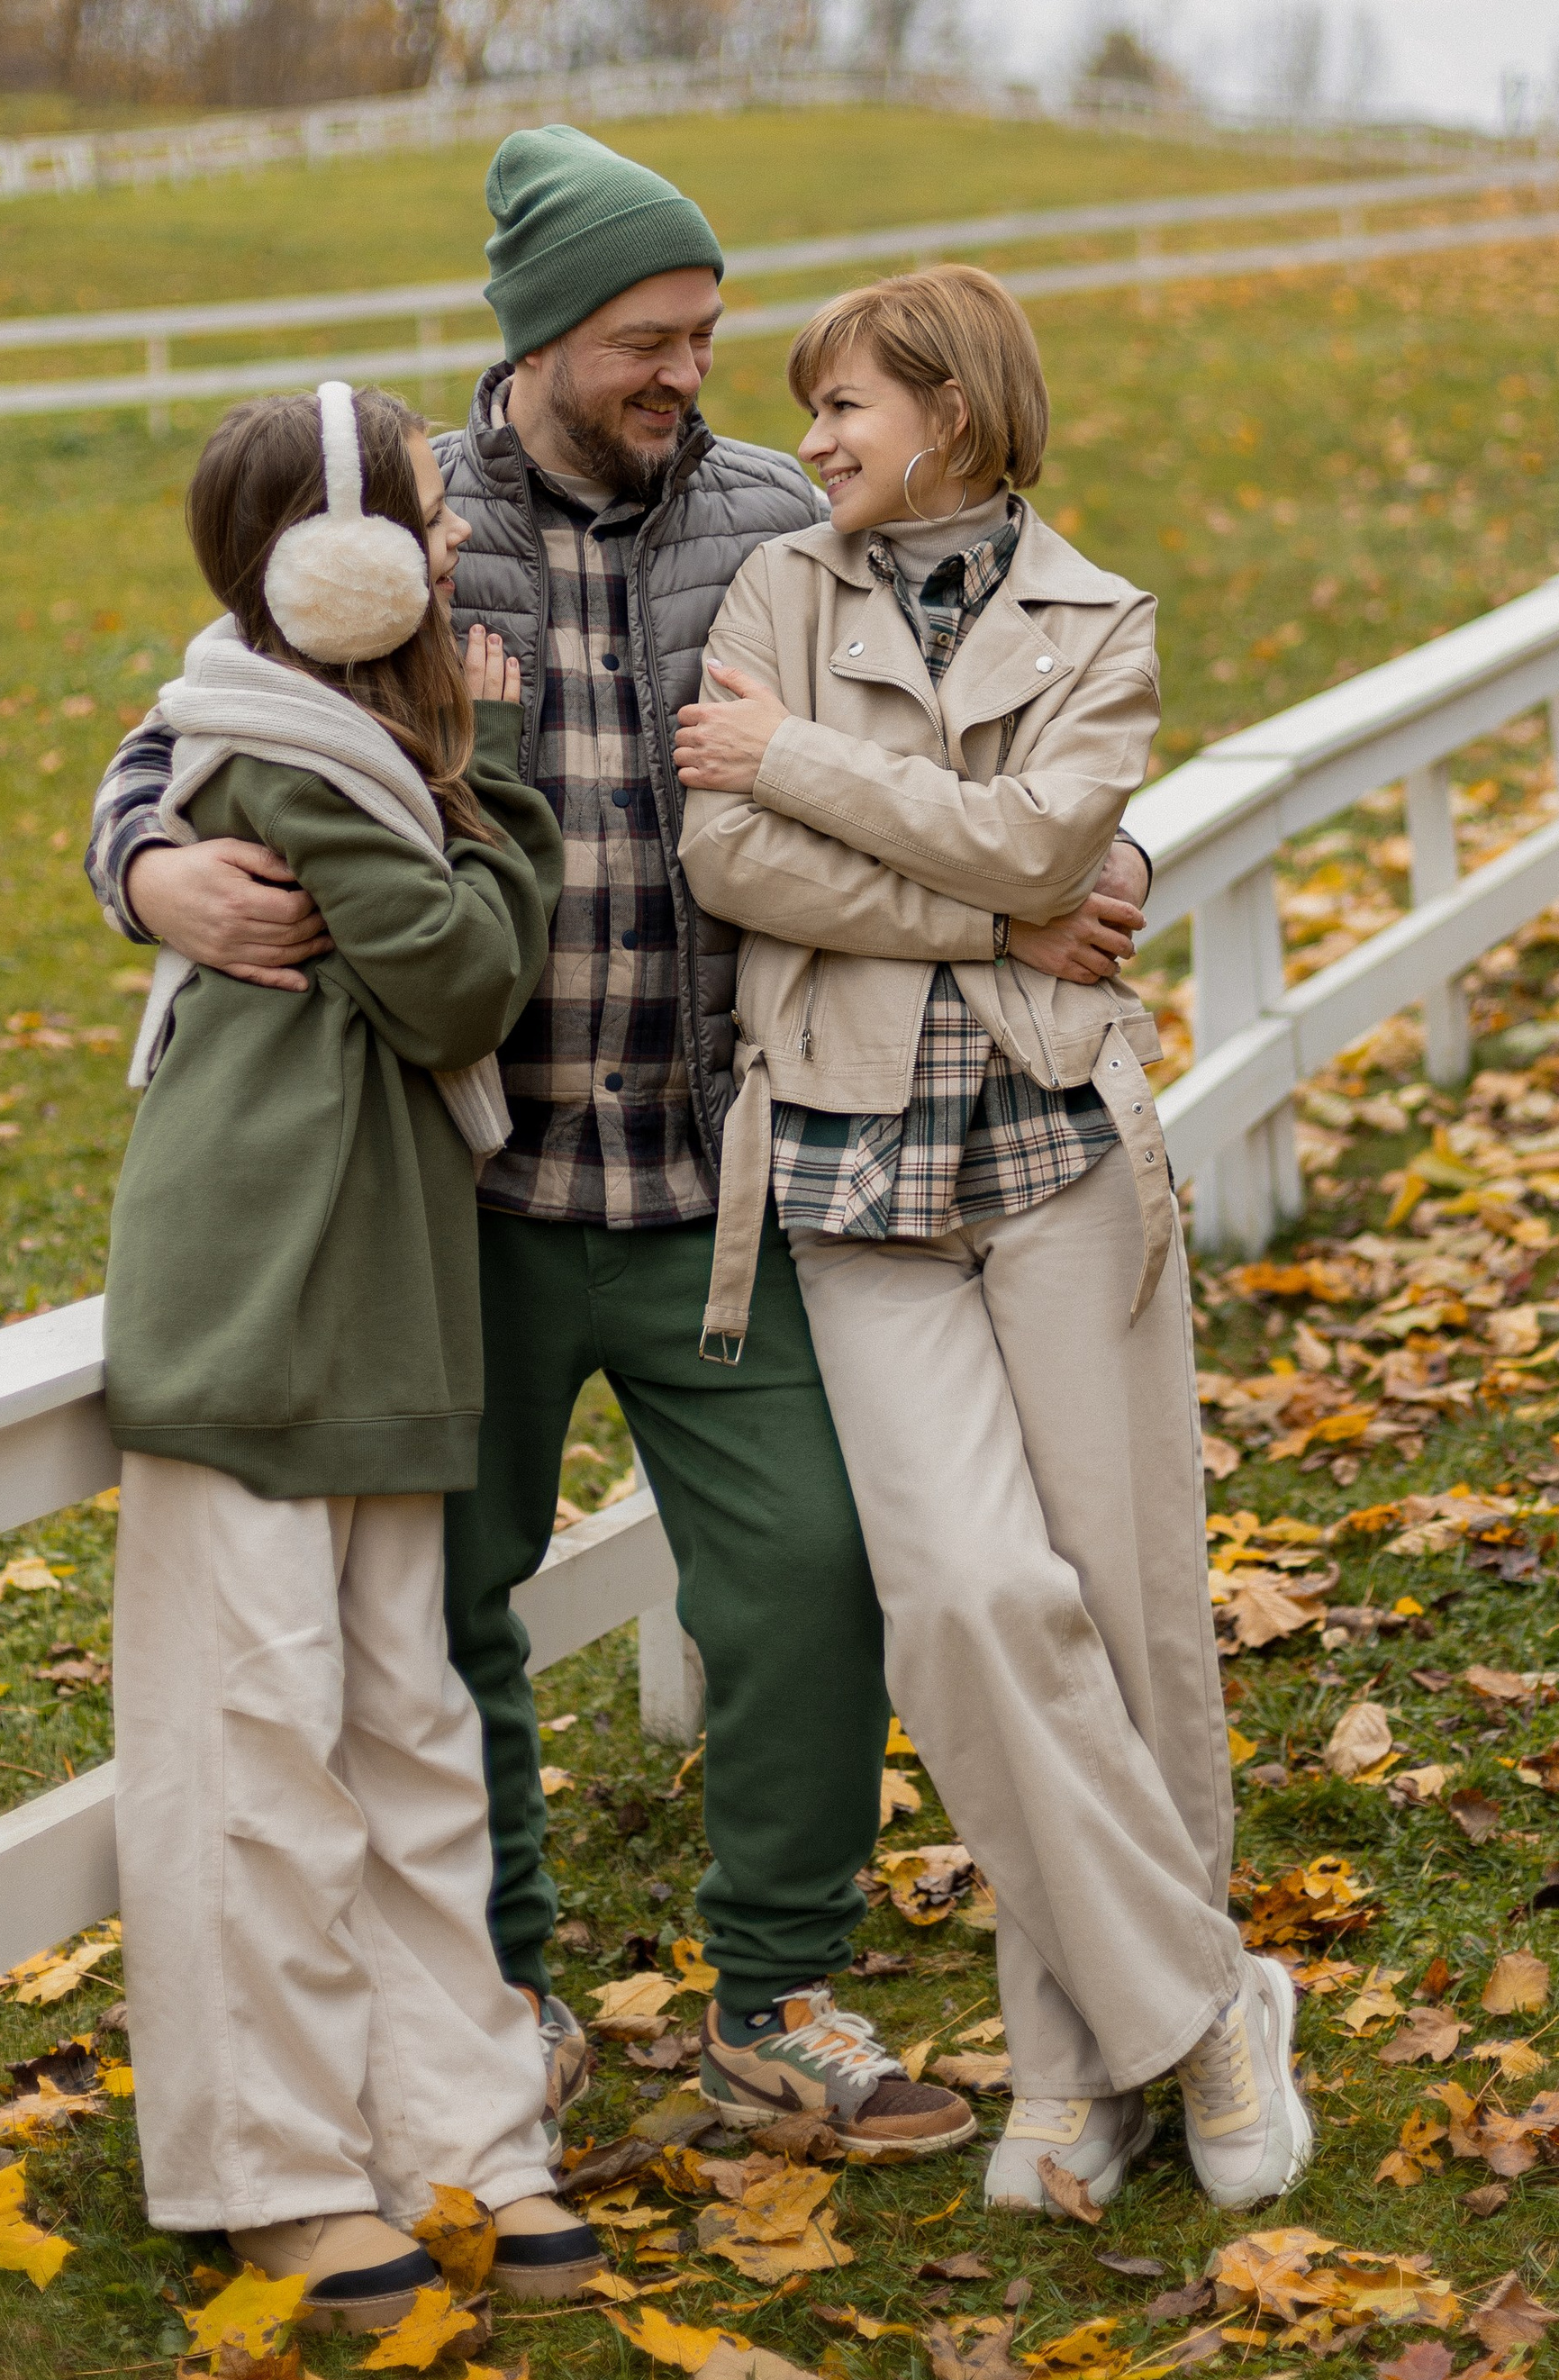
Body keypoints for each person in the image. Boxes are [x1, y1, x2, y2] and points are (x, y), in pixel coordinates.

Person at [87, 125, 1147, 2152]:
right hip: (465, 1196)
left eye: (705, 331)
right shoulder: (404, 526)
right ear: (544, 335)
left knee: (810, 1572)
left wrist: (1101, 866)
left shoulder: (778, 520)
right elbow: (187, 725)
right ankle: (500, 1999)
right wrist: (146, 869)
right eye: (650, 337)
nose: (690, 370)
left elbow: (995, 721)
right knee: (445, 1607)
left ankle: (778, 1999)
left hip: (724, 1182)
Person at [674, 265, 1312, 2217]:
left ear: (949, 409)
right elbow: (729, 858)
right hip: (846, 1167)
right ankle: (1205, 2006)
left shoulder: (1097, 618)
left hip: (1058, 1151)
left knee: (1121, 1611)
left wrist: (805, 765)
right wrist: (986, 912)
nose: (812, 439)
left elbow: (1054, 846)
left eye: (844, 405)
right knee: (964, 1598)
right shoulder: (773, 592)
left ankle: (1071, 2070)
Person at [104, 379, 603, 2328]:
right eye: (420, 515)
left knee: (409, 1741)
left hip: (381, 1294)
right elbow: (463, 981)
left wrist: (460, 772)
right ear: (334, 568)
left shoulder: (360, 748)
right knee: (258, 1755)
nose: (453, 539)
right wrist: (509, 788)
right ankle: (282, 2173)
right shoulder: (288, 758)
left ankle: (463, 2139)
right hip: (260, 1302)